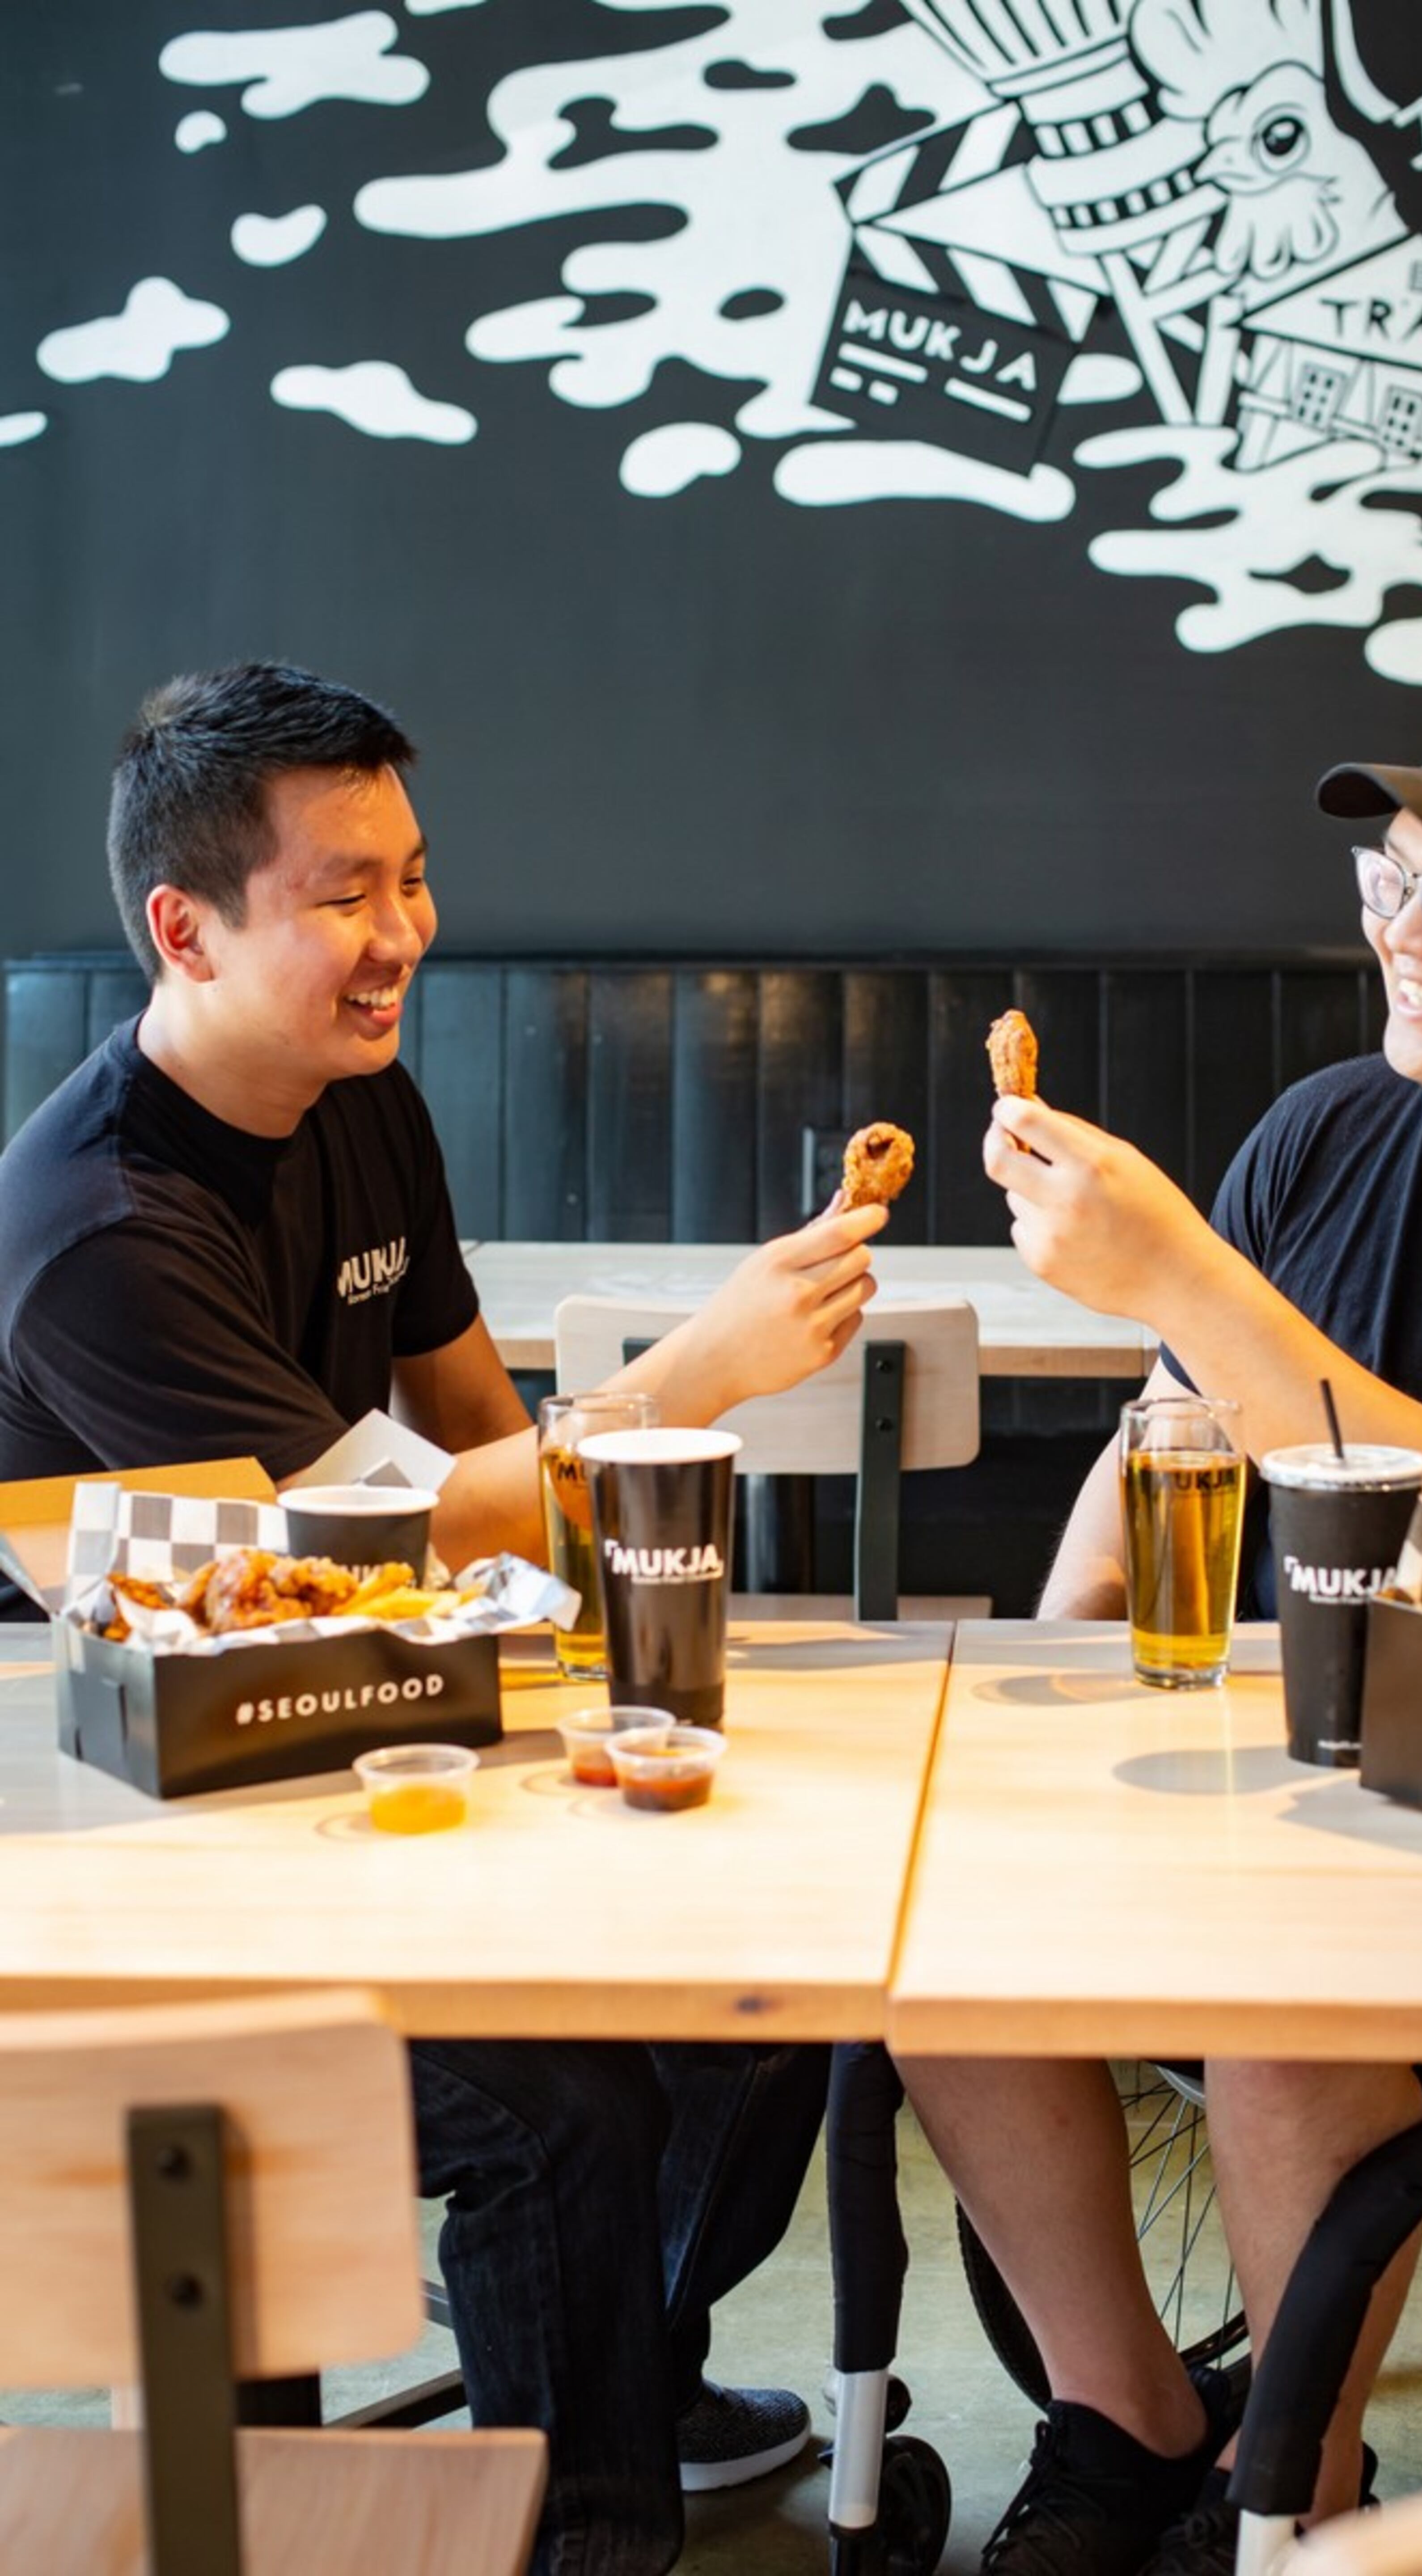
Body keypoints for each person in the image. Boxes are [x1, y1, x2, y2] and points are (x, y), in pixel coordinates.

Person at [0, 660, 890, 2576]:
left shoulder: (356, 1095)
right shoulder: (95, 1231)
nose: (402, 932)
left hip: (321, 1739)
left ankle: (606, 2382)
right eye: (343, 892)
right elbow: (369, 1545)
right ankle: (592, 2531)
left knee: (766, 1988)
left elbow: (478, 1439)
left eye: (412, 876)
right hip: (116, 1826)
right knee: (552, 2102)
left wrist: (616, 1489)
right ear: (187, 926)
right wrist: (687, 1382)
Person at [898, 673, 1422, 2576]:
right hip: (1286, 1787)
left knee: (1281, 1999)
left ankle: (1297, 2495)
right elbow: (1163, 1440)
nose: (1397, 938)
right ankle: (1125, 2422)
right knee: (934, 1926)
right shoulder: (1328, 1134)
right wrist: (1042, 1676)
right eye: (1386, 881)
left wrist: (1179, 1261)